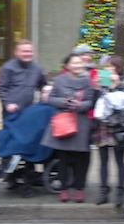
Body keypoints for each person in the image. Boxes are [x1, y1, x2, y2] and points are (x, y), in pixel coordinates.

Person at [41, 54, 96, 203]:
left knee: (81, 159)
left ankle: (80, 188)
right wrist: (64, 102)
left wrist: (80, 105)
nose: (78, 65)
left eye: (80, 63)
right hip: (64, 124)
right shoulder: (59, 80)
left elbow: (91, 101)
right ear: (68, 65)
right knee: (63, 159)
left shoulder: (88, 81)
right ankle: (63, 189)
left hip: (82, 123)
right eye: (74, 63)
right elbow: (50, 99)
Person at [93, 56, 124, 207]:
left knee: (120, 161)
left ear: (118, 67)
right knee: (103, 161)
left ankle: (120, 193)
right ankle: (103, 192)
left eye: (111, 67)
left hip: (119, 127)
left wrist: (114, 86)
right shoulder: (102, 82)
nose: (109, 70)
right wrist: (97, 88)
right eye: (107, 67)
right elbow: (97, 103)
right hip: (104, 127)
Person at [0, 40, 46, 121]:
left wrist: (42, 103)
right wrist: (7, 104)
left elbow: (43, 87)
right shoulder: (7, 68)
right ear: (16, 53)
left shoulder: (37, 69)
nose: (28, 54)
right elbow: (1, 88)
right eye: (24, 51)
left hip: (30, 110)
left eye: (30, 51)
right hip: (11, 111)